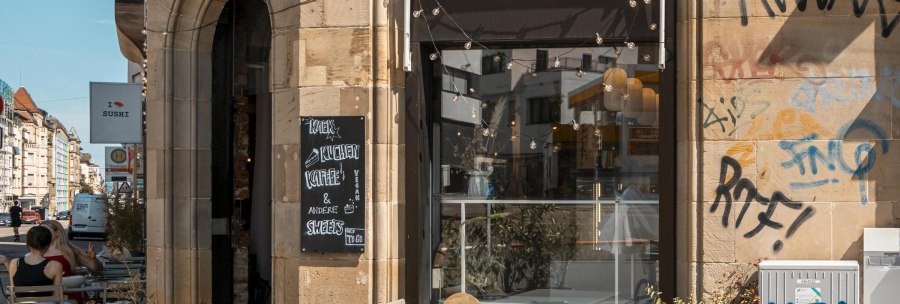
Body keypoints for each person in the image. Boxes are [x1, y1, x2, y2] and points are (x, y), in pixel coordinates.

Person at [41, 220, 103, 303]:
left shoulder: (71, 251)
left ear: (57, 232)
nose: (41, 233)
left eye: (45, 230)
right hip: (45, 295)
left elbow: (96, 268)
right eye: (40, 230)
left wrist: (93, 259)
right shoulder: (37, 251)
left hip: (69, 295)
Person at [0, 226, 64, 299]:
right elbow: (57, 297)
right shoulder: (55, 266)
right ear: (48, 245)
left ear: (27, 243)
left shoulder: (14, 263)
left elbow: (14, 294)